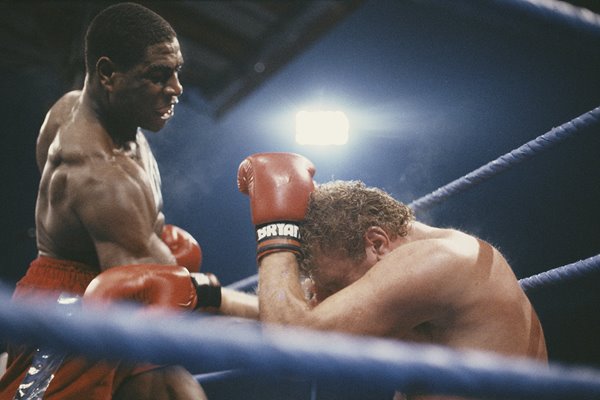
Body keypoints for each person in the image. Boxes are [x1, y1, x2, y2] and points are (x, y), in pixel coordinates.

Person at [0, 3, 258, 400]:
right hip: (70, 303)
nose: (176, 88)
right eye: (158, 75)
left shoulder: (82, 109)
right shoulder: (100, 175)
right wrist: (275, 310)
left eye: (176, 70)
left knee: (180, 393)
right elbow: (168, 291)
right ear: (107, 74)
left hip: (111, 281)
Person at [237, 152, 547, 400]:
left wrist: (275, 232)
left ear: (377, 243)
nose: (321, 298)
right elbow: (287, 315)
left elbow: (291, 349)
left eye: (332, 286)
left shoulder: (437, 260)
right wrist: (213, 296)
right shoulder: (421, 280)